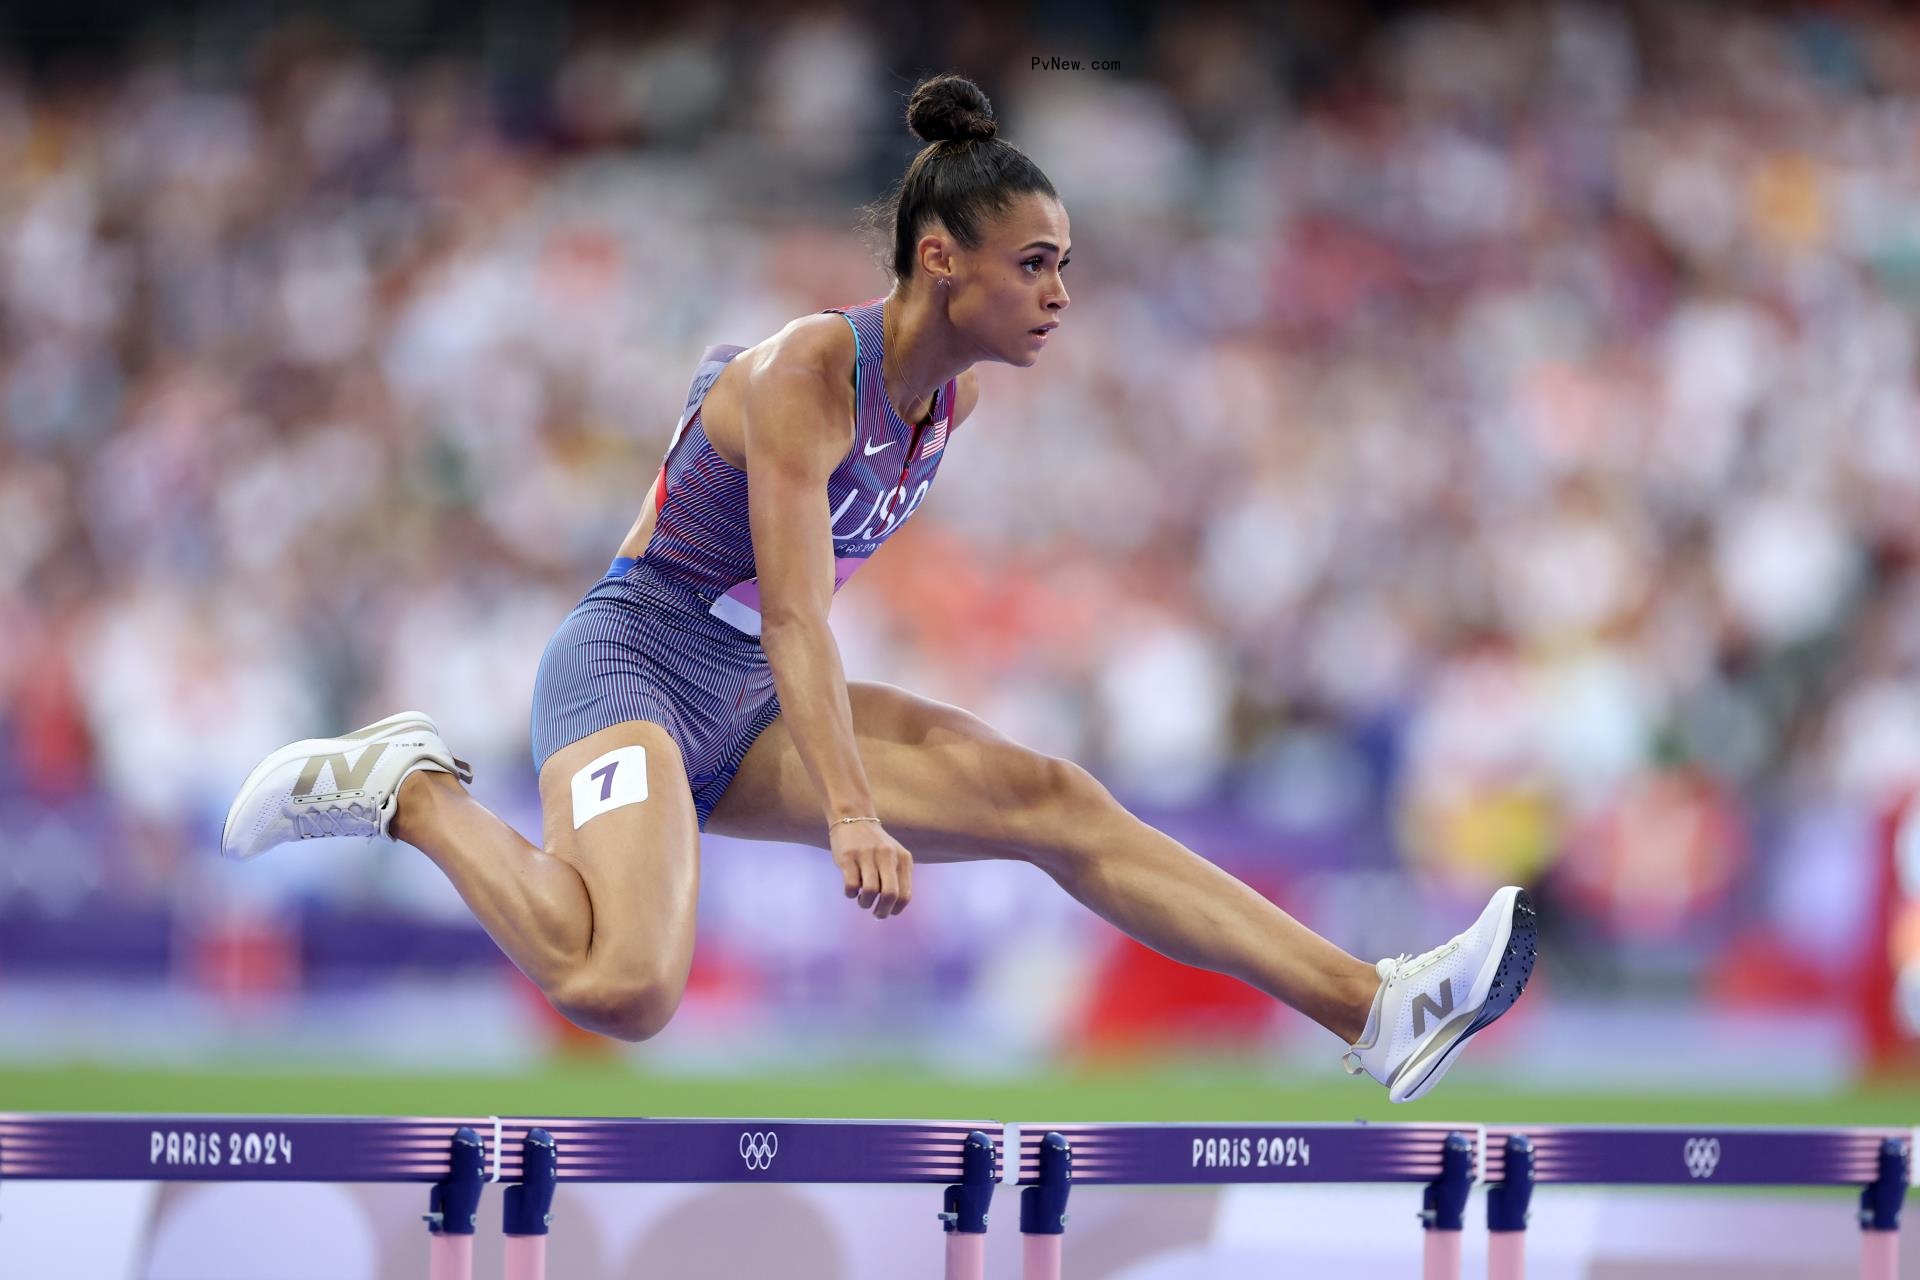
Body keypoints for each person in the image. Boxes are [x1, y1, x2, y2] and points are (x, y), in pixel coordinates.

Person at [221, 73, 1534, 1103]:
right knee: (623, 987)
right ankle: (408, 790)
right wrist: (853, 812)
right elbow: (794, 608)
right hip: (630, 669)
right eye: (1037, 263)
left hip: (745, 694)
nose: (1062, 293)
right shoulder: (805, 376)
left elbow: (788, 630)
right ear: (941, 260)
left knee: (1052, 798)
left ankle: (1378, 1008)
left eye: (1066, 263)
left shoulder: (944, 404)